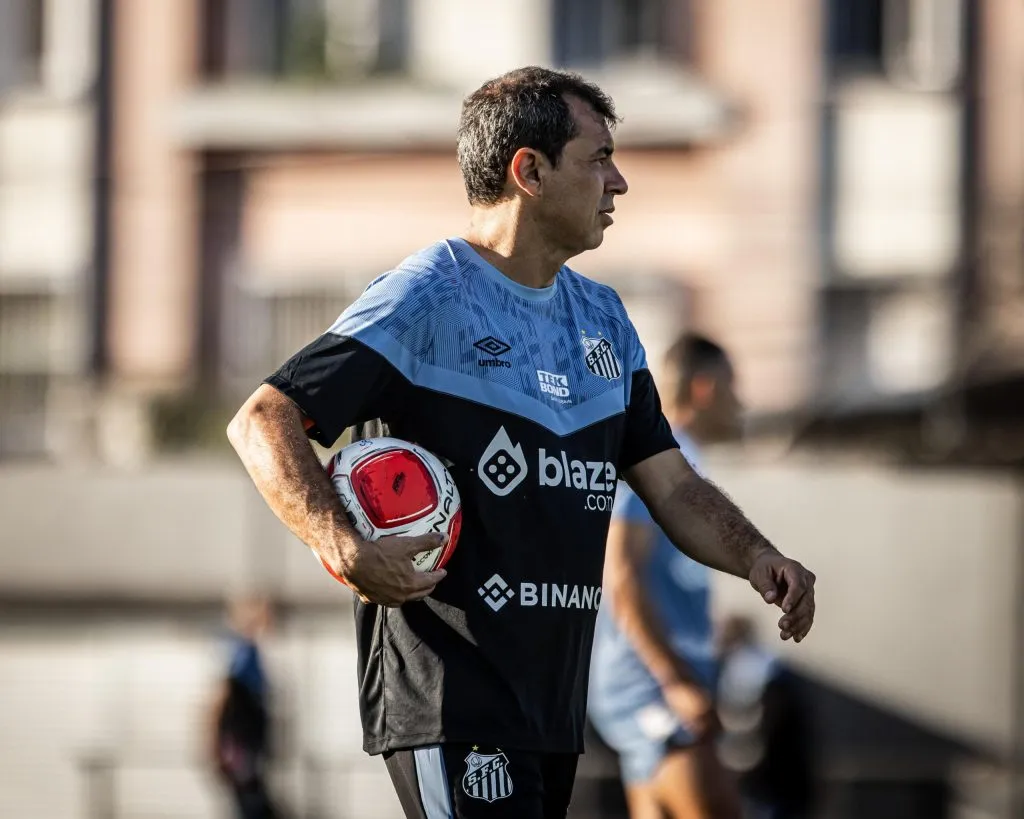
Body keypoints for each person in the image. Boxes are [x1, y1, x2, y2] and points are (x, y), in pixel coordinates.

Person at [226, 66, 816, 819]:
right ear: (528, 170)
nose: (620, 181)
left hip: (552, 709)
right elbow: (263, 418)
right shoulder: (427, 296)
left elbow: (672, 484)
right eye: (598, 157)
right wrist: (340, 541)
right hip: (451, 700)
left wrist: (758, 554)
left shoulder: (606, 320)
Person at [589, 333, 745, 819]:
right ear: (703, 389)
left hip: (668, 682)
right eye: (732, 386)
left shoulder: (688, 465)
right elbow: (621, 580)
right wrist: (675, 680)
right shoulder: (656, 467)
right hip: (650, 686)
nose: (742, 401)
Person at [716, 615, 816, 819]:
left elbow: (761, 724)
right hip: (780, 777)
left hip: (771, 779)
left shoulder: (754, 670)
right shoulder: (769, 666)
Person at [208, 594, 280, 819]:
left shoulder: (249, 651)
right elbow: (219, 700)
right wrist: (213, 746)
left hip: (249, 745)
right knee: (252, 806)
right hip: (241, 747)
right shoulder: (241, 651)